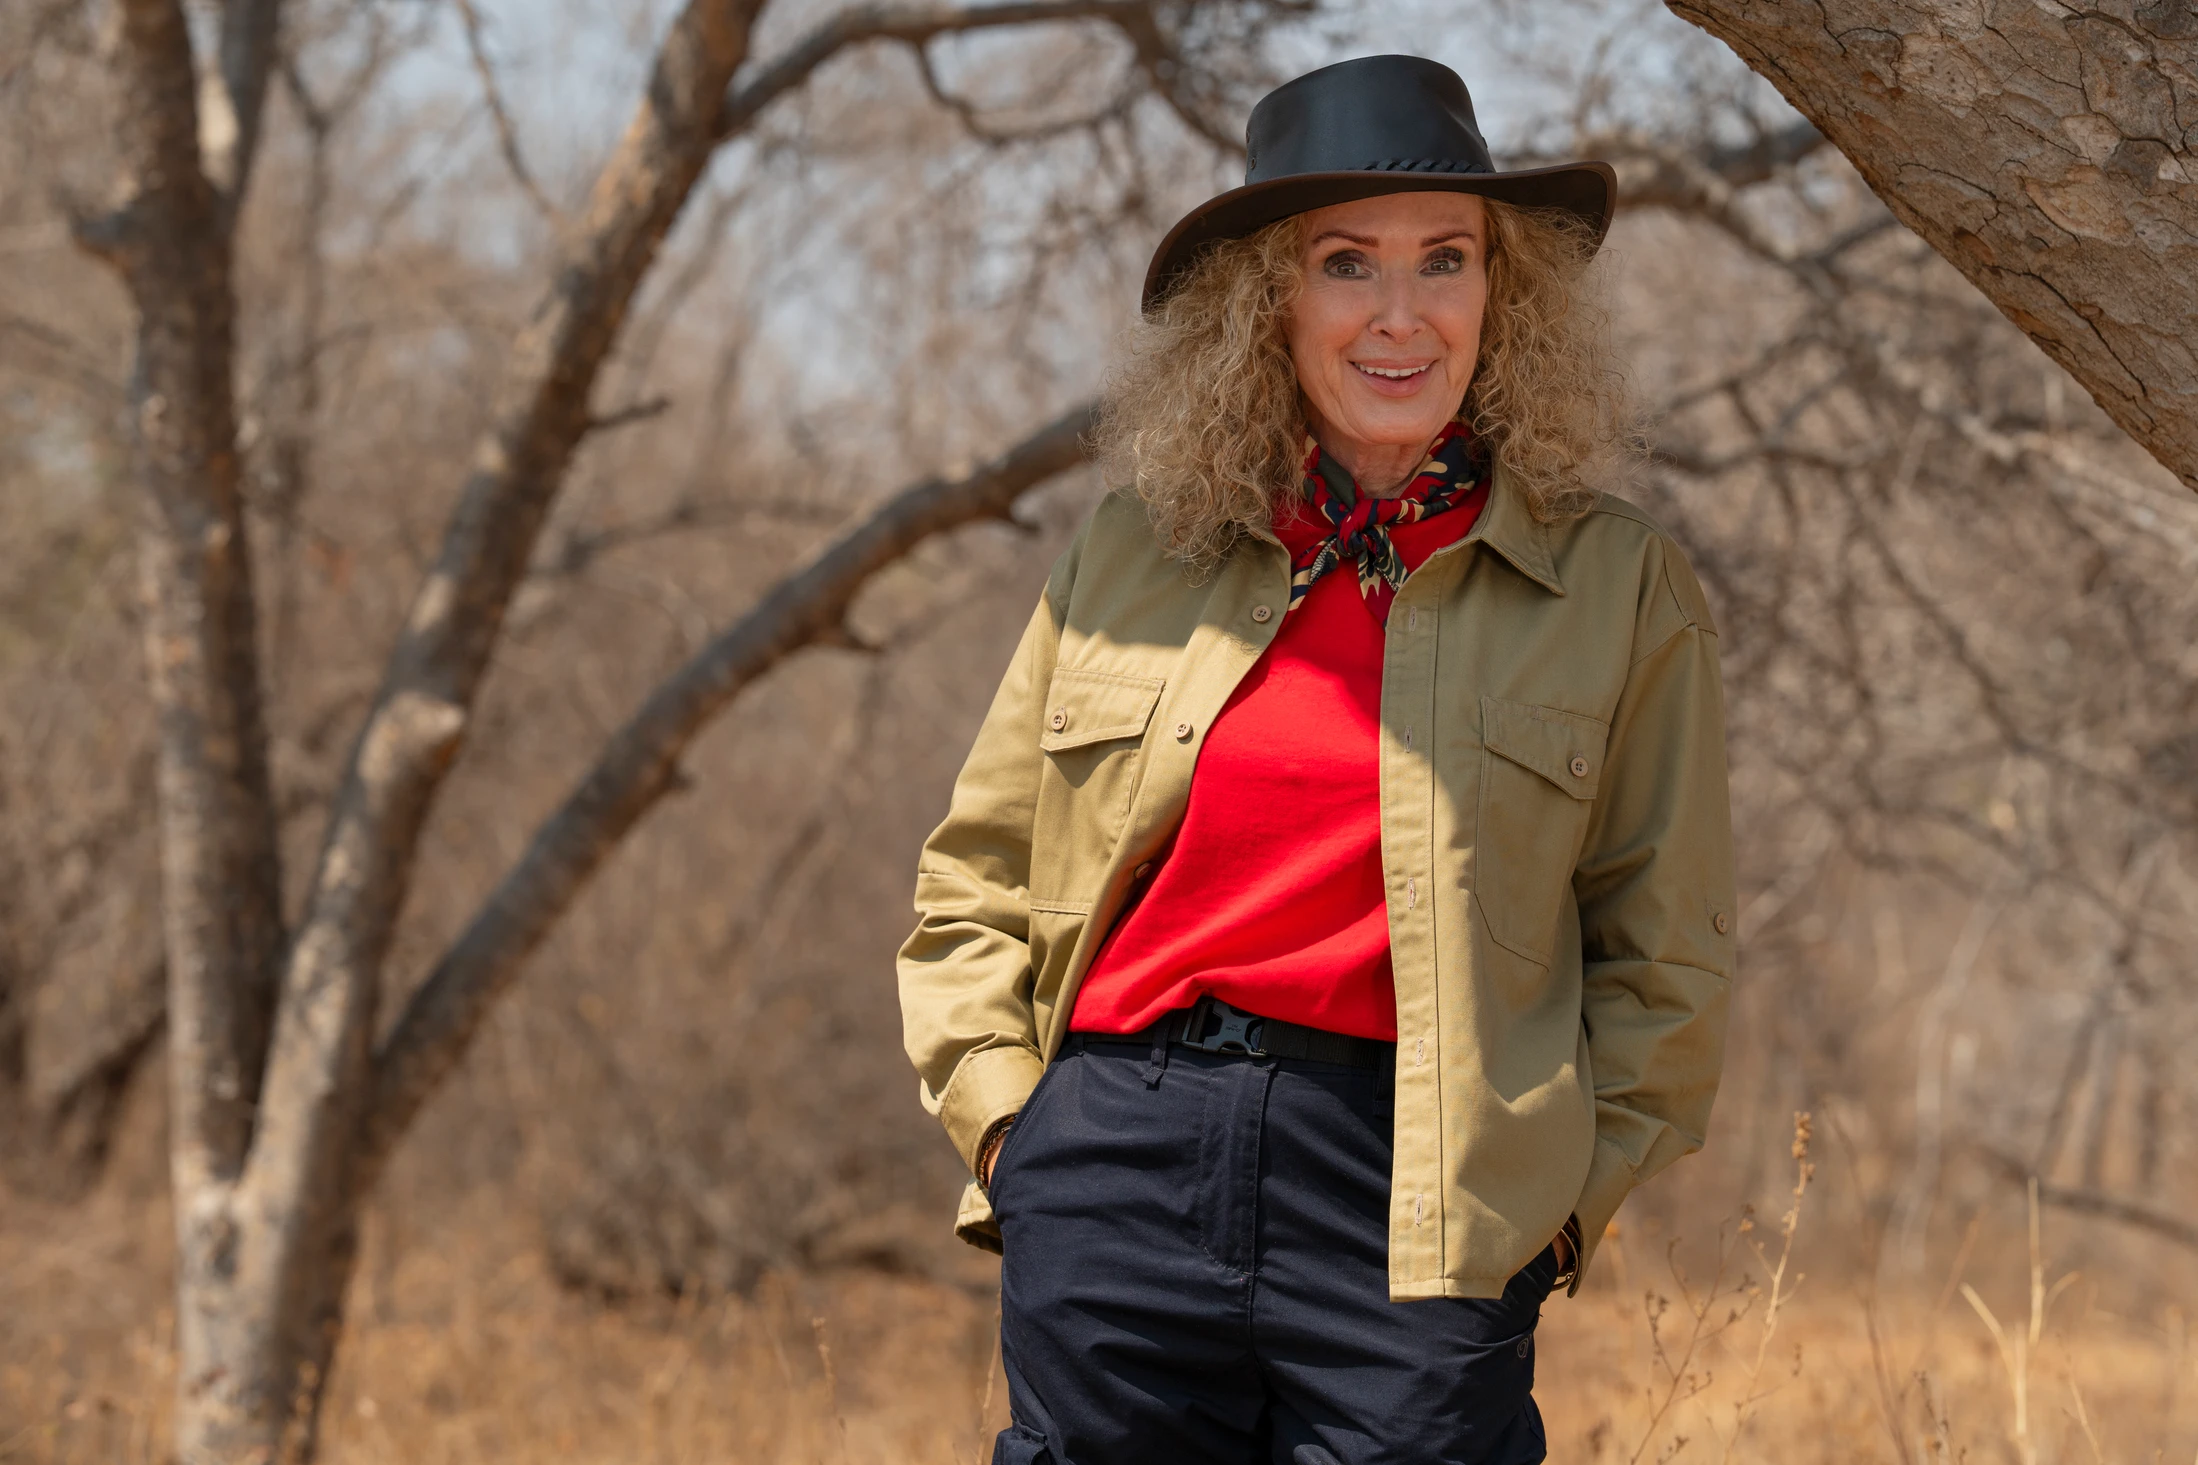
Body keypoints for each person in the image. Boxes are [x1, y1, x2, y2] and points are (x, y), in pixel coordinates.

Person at [897, 53, 1735, 1465]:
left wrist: (1545, 1217)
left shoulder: (1616, 585)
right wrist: (1012, 1140)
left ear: (1502, 292)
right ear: (1265, 302)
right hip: (1116, 1162)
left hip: (1420, 1192)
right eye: (1346, 264)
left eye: (1445, 260)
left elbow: (1668, 960)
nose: (1400, 314)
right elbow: (973, 879)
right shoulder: (1136, 549)